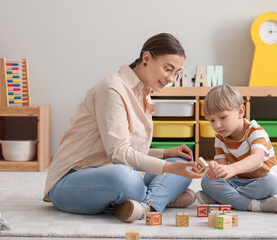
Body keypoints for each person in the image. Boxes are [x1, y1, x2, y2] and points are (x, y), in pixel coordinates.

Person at [43, 33, 206, 223]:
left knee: (182, 163)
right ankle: (161, 196)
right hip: (73, 179)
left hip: (112, 170)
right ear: (146, 58)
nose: (171, 77)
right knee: (127, 178)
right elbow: (119, 153)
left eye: (176, 72)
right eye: (167, 69)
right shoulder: (112, 89)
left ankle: (145, 206)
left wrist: (165, 154)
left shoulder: (144, 93)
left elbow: (130, 150)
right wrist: (168, 167)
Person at [195, 84, 277, 214]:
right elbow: (223, 168)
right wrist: (214, 168)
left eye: (223, 117)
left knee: (273, 183)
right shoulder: (220, 136)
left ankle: (224, 199)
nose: (217, 125)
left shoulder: (255, 131)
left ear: (240, 112)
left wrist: (233, 168)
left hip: (262, 182)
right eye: (211, 120)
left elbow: (256, 159)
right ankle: (256, 205)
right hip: (238, 182)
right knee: (207, 182)